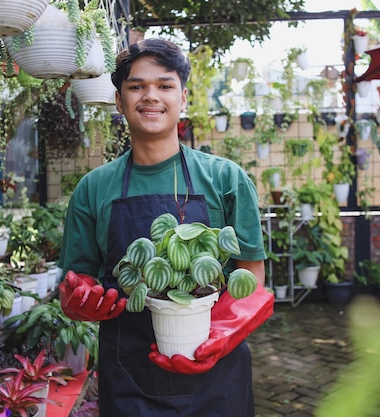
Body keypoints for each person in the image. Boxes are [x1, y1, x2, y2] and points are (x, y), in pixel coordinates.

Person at [59, 38, 274, 417]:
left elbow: (250, 276)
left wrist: (220, 335)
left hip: (217, 375)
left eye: (164, 85)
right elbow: (78, 279)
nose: (150, 96)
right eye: (136, 86)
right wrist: (81, 301)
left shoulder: (226, 178)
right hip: (129, 377)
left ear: (183, 97)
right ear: (119, 100)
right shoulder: (92, 189)